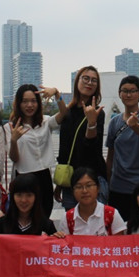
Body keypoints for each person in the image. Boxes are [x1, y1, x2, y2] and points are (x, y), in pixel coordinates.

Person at [8, 84, 68, 217]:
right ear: (19, 104)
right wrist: (13, 140)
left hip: (43, 176)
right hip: (23, 177)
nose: (29, 105)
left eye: (33, 101)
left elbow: (64, 113)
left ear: (38, 103)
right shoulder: (11, 127)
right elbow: (14, 158)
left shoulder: (45, 122)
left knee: (45, 214)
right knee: (25, 217)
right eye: (25, 101)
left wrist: (56, 93)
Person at [54, 66, 107, 210]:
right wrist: (60, 183)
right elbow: (64, 148)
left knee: (96, 221)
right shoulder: (68, 111)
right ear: (77, 81)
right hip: (71, 180)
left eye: (94, 80)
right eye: (85, 78)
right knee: (73, 222)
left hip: (92, 178)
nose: (89, 83)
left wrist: (91, 122)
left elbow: (92, 146)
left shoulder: (97, 112)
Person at [106, 75, 139, 216]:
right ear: (119, 94)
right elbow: (110, 157)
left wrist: (134, 125)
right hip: (118, 187)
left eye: (133, 91)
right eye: (125, 91)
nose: (128, 95)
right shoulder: (114, 122)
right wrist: (108, 183)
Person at [55, 167, 126, 236]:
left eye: (89, 185)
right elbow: (64, 243)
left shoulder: (112, 214)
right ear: (73, 191)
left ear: (98, 187)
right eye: (79, 187)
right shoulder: (67, 218)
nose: (84, 191)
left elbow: (119, 242)